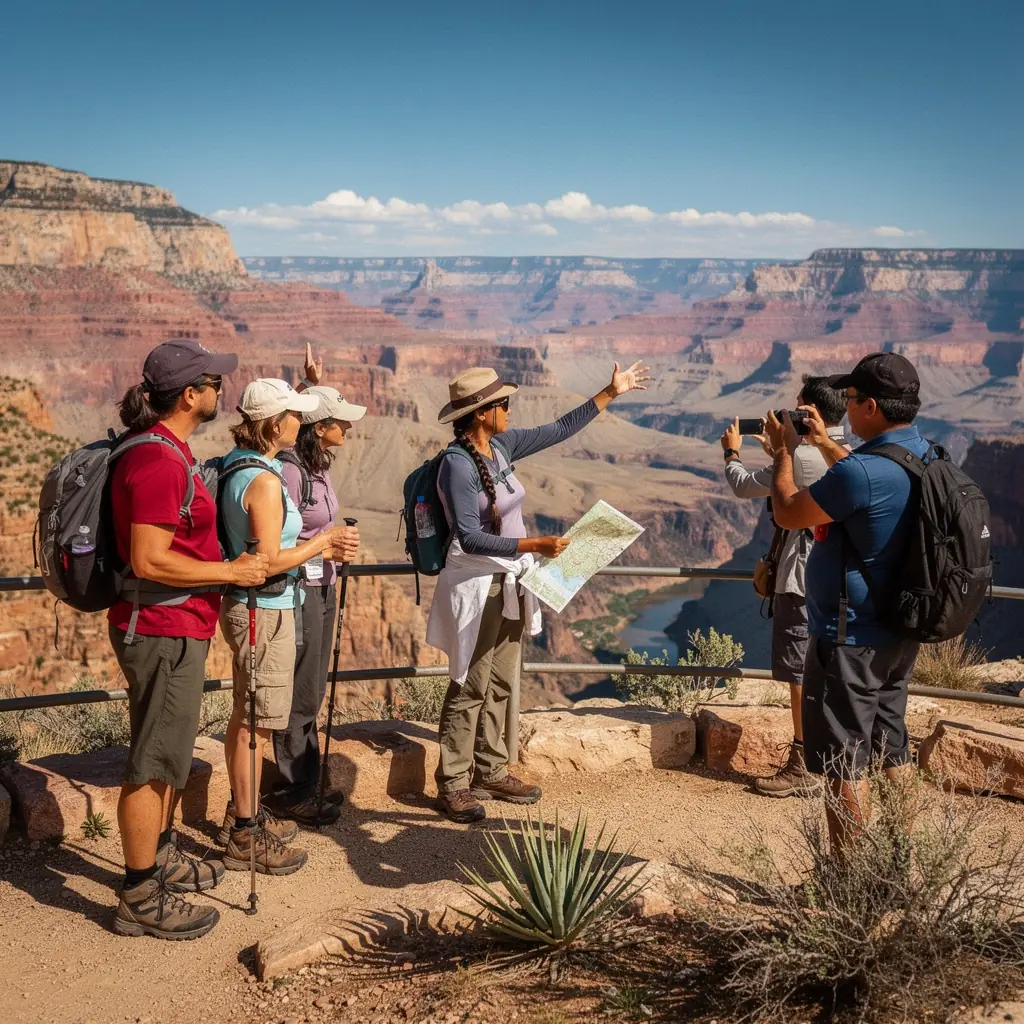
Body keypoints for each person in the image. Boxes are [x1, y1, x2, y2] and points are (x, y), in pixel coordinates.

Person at [427, 361, 650, 824]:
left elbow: (559, 428)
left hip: (510, 580)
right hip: (476, 585)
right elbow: (469, 536)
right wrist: (535, 545)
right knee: (471, 683)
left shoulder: (502, 446)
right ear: (482, 413)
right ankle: (453, 783)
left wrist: (611, 391)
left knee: (502, 681)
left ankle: (491, 770)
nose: (510, 409)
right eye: (503, 403)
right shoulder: (457, 465)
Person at [108, 339, 270, 940]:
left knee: (170, 752)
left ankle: (161, 853)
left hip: (173, 625)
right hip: (162, 628)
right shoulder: (158, 461)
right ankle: (138, 892)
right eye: (213, 381)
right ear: (189, 395)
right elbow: (149, 558)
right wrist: (231, 571)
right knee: (154, 760)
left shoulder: (166, 449)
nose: (221, 389)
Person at [765, 352, 928, 853]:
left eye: (853, 398)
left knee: (844, 761)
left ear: (871, 406)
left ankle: (848, 878)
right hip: (898, 630)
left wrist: (784, 453)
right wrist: (821, 442)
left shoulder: (860, 473)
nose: (847, 406)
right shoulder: (922, 453)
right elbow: (865, 482)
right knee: (892, 749)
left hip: (850, 635)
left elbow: (788, 512)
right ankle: (902, 859)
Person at [217, 378, 352, 874]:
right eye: (295, 413)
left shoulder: (243, 463)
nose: (302, 420)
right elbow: (269, 560)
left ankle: (245, 814)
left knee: (250, 716)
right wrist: (324, 543)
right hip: (264, 608)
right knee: (256, 720)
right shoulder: (266, 480)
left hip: (255, 605)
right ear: (276, 424)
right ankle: (245, 832)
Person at [719, 376, 848, 797]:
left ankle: (803, 764)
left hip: (802, 580)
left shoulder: (802, 457)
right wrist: (781, 451)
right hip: (841, 581)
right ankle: (837, 757)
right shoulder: (848, 451)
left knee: (799, 674)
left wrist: (732, 452)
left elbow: (742, 485)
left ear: (810, 415)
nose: (789, 414)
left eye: (797, 408)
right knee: (832, 670)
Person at [266, 385, 363, 826]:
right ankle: (293, 791)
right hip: (300, 590)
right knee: (301, 689)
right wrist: (327, 546)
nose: (348, 426)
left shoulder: (316, 466)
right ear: (320, 427)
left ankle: (307, 781)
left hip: (323, 586)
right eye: (341, 420)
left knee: (313, 687)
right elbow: (280, 539)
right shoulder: (291, 472)